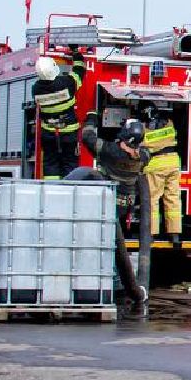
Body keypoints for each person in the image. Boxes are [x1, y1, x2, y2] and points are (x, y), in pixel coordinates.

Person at [73, 112, 151, 307]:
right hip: (125, 208)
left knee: (108, 247)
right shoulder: (143, 156)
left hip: (108, 207)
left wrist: (91, 117)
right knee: (116, 246)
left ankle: (113, 285)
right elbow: (141, 151)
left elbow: (88, 138)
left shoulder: (110, 152)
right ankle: (118, 284)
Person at [31, 48, 87, 179]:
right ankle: (69, 189)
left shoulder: (36, 89)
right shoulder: (66, 84)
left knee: (50, 164)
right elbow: (79, 73)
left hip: (49, 133)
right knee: (70, 163)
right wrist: (77, 55)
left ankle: (52, 191)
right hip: (69, 132)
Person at [142, 103, 183, 248]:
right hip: (173, 162)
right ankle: (175, 234)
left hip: (155, 164)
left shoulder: (144, 128)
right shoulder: (169, 122)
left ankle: (151, 234)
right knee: (173, 198)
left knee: (152, 199)